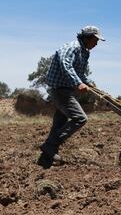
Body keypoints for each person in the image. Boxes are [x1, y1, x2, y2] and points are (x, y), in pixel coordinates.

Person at [37, 25, 105, 169]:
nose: (97, 43)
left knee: (59, 124)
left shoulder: (84, 52)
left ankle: (45, 160)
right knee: (80, 118)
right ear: (87, 38)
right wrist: (77, 83)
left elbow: (80, 73)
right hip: (60, 90)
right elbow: (65, 64)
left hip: (66, 90)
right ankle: (49, 146)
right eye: (95, 40)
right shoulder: (72, 47)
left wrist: (90, 84)